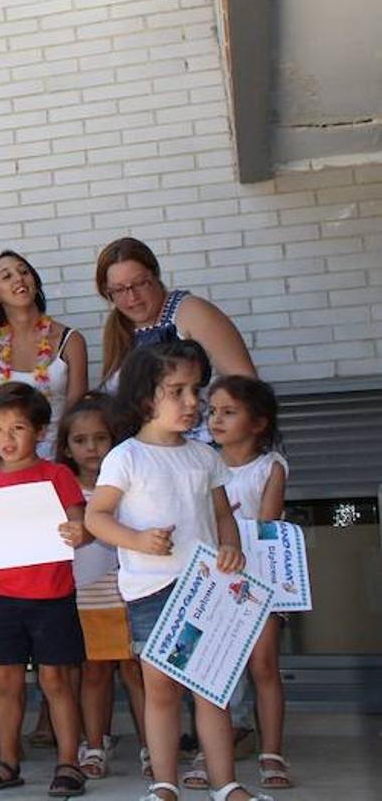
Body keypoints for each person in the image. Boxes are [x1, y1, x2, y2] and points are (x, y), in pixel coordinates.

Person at [85, 340, 269, 801]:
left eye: (196, 390)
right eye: (177, 391)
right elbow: (97, 517)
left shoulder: (205, 457)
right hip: (152, 590)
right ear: (147, 396)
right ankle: (164, 782)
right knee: (161, 690)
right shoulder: (125, 457)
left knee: (212, 689)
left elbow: (223, 513)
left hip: (207, 588)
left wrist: (230, 547)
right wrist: (137, 540)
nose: (192, 402)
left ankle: (224, 782)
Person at [0, 383, 88, 796]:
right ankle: (8, 761)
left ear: (41, 431)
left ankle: (69, 763)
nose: (6, 440)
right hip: (4, 599)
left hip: (52, 596)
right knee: (5, 682)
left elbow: (80, 526)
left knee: (56, 681)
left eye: (18, 428)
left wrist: (77, 531)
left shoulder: (56, 475)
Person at [55, 395, 148, 782]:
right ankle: (93, 746)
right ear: (66, 447)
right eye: (80, 440)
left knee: (136, 671)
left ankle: (153, 747)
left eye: (100, 438)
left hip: (131, 591)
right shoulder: (64, 489)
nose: (91, 448)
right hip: (86, 595)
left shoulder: (127, 483)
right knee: (93, 673)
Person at [207, 376, 292, 792]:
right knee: (215, 669)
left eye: (228, 411)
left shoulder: (270, 466)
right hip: (216, 577)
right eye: (212, 411)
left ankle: (272, 751)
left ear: (258, 422)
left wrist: (233, 520)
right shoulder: (203, 461)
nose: (216, 419)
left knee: (263, 665)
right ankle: (213, 752)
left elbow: (267, 524)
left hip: (259, 575)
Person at [94, 237, 256, 393]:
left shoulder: (191, 312)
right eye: (119, 289)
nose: (132, 297)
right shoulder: (118, 327)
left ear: (156, 275)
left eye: (140, 283)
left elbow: (247, 385)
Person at [0, 250, 88, 459]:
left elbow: (77, 413)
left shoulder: (71, 341)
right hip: (10, 461)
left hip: (62, 457)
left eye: (24, 272)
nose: (19, 278)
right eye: (7, 276)